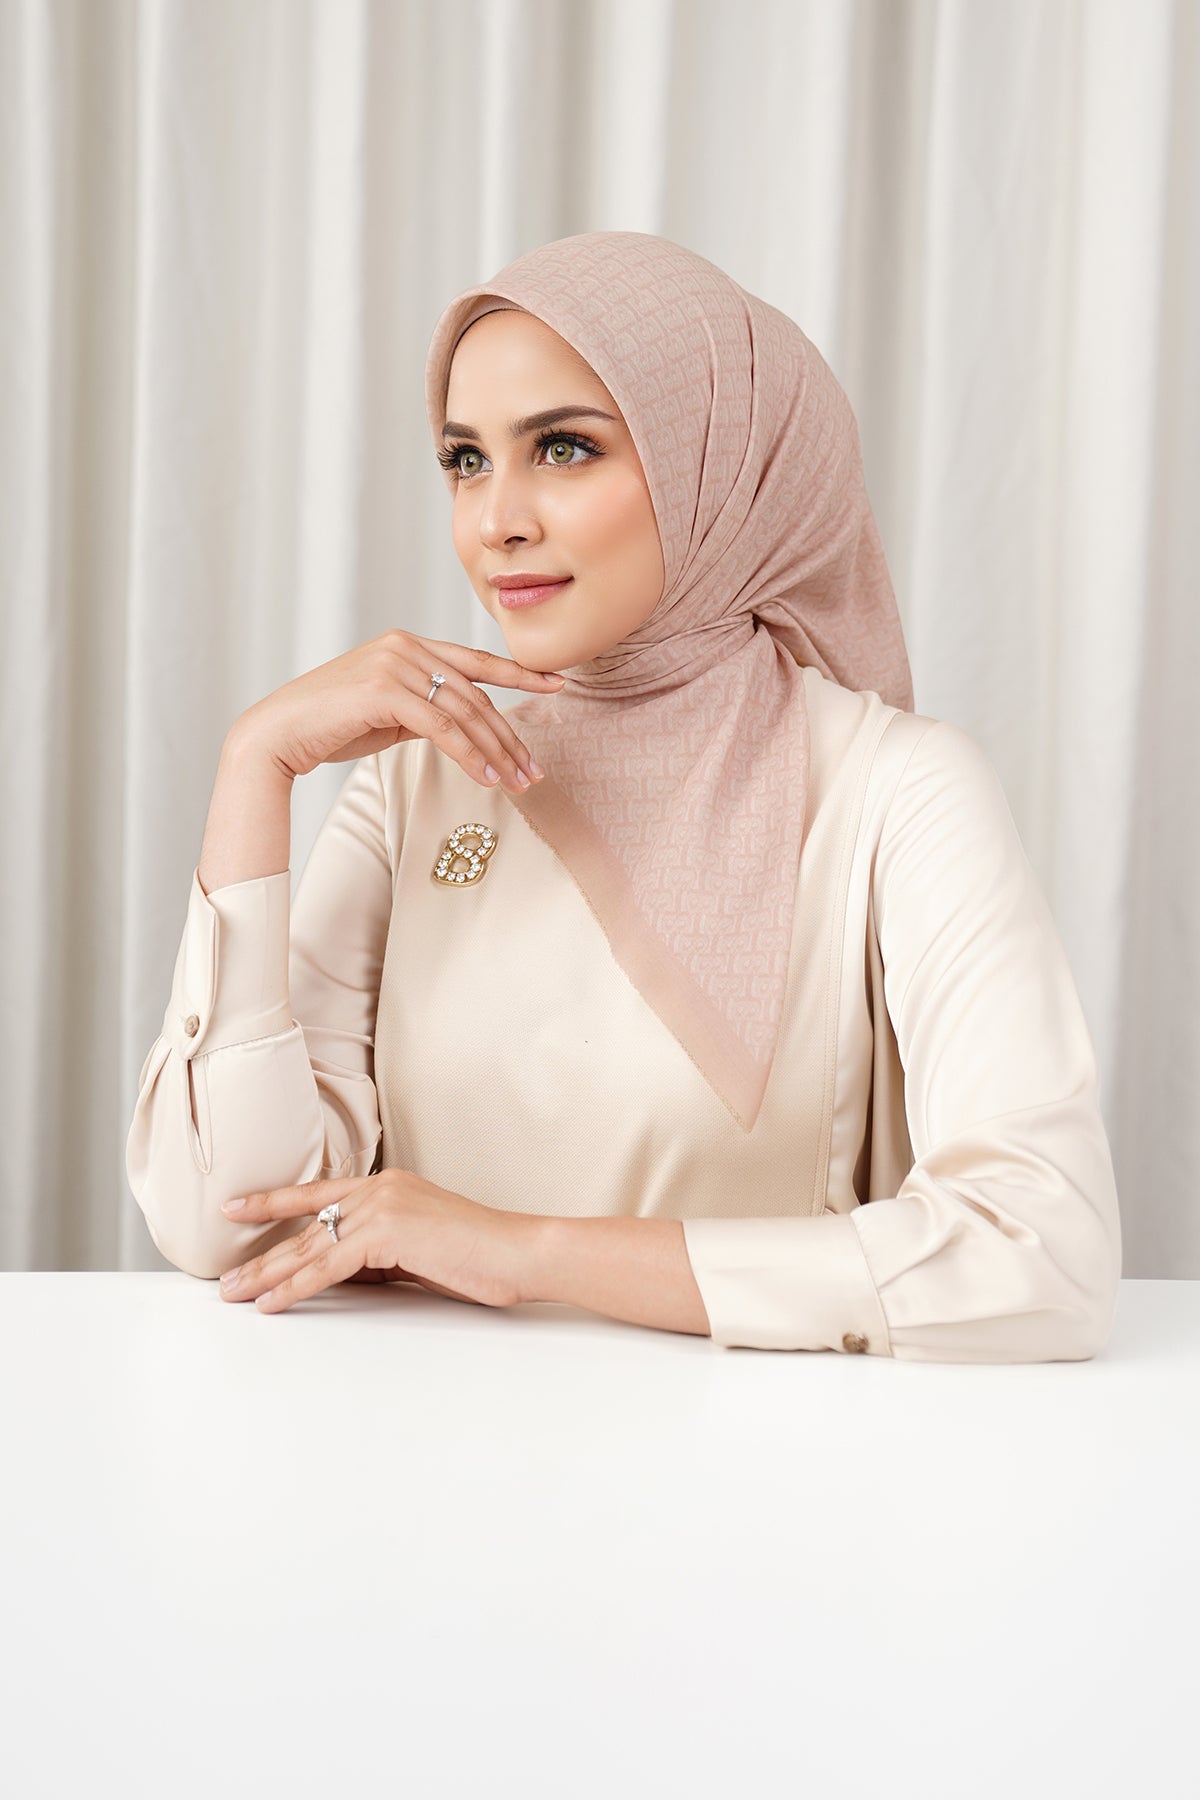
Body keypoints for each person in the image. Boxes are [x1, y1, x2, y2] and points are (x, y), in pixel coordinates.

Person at [125, 230, 1122, 1359]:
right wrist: (255, 766)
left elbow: (1041, 1252)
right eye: (465, 459)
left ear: (722, 464)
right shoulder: (418, 781)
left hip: (754, 1456)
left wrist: (524, 1254)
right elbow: (230, 1224)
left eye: (563, 448)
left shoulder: (895, 790)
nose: (496, 520)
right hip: (422, 1444)